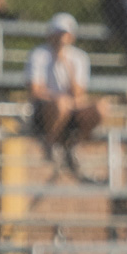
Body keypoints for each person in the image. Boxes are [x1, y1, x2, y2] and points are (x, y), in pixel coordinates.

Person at [26, 13, 100, 172]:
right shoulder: (39, 55)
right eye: (58, 33)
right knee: (62, 104)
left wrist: (65, 62)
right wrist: (60, 99)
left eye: (65, 33)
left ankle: (74, 145)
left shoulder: (79, 58)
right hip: (45, 109)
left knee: (101, 108)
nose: (62, 38)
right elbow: (35, 91)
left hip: (69, 106)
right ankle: (51, 144)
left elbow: (78, 93)